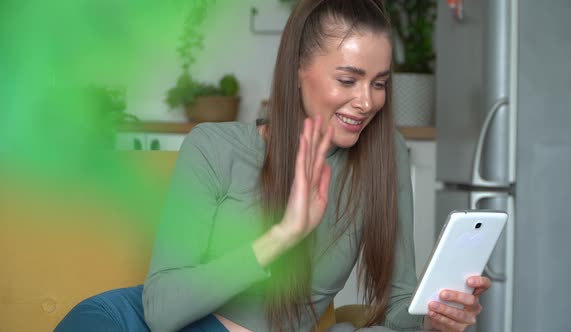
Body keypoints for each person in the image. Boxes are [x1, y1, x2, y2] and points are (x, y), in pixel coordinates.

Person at [56, 0, 490, 331]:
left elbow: (397, 303)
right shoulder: (214, 147)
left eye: (379, 84)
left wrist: (435, 315)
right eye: (347, 79)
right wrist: (284, 235)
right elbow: (161, 310)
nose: (367, 101)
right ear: (299, 69)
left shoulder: (385, 154)